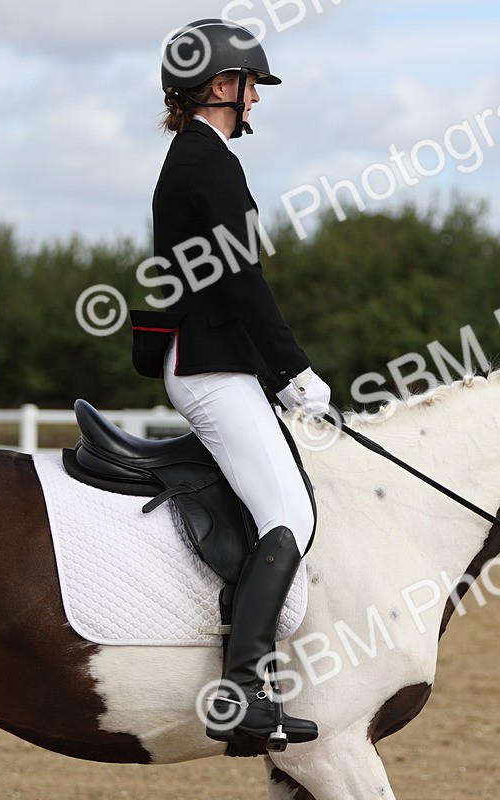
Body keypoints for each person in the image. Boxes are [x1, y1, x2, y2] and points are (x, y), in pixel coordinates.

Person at [137, 18, 327, 747]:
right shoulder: (206, 163)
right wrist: (295, 371)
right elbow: (243, 283)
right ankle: (242, 692)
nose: (257, 101)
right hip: (211, 367)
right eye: (251, 87)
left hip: (216, 361)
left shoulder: (195, 158)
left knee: (284, 510)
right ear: (222, 86)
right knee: (290, 518)